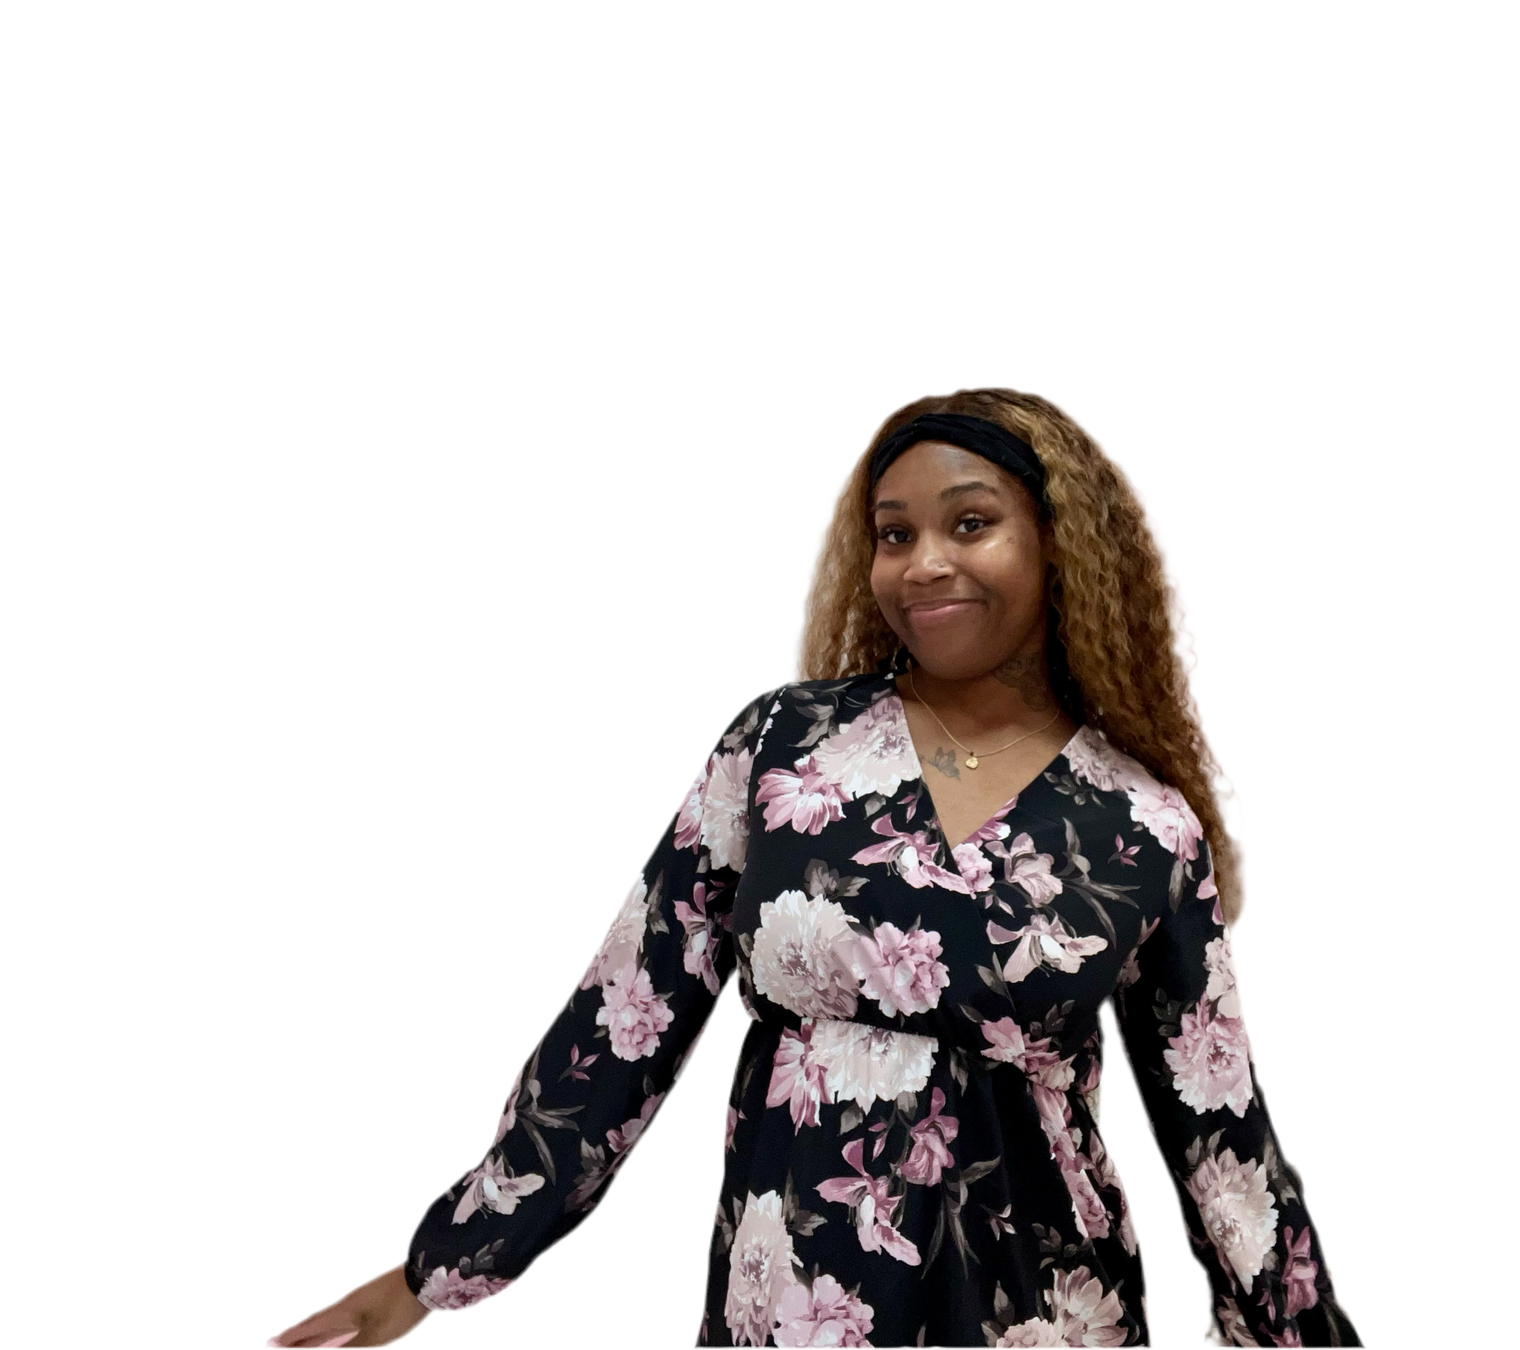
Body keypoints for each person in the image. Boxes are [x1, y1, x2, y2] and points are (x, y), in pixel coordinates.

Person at [272, 389, 1360, 1348]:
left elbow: (1220, 1132)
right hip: (800, 1296)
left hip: (1040, 1307)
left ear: (1060, 545)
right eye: (894, 534)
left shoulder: (1141, 825)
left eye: (970, 523)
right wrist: (438, 1268)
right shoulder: (786, 752)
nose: (922, 563)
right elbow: (624, 1022)